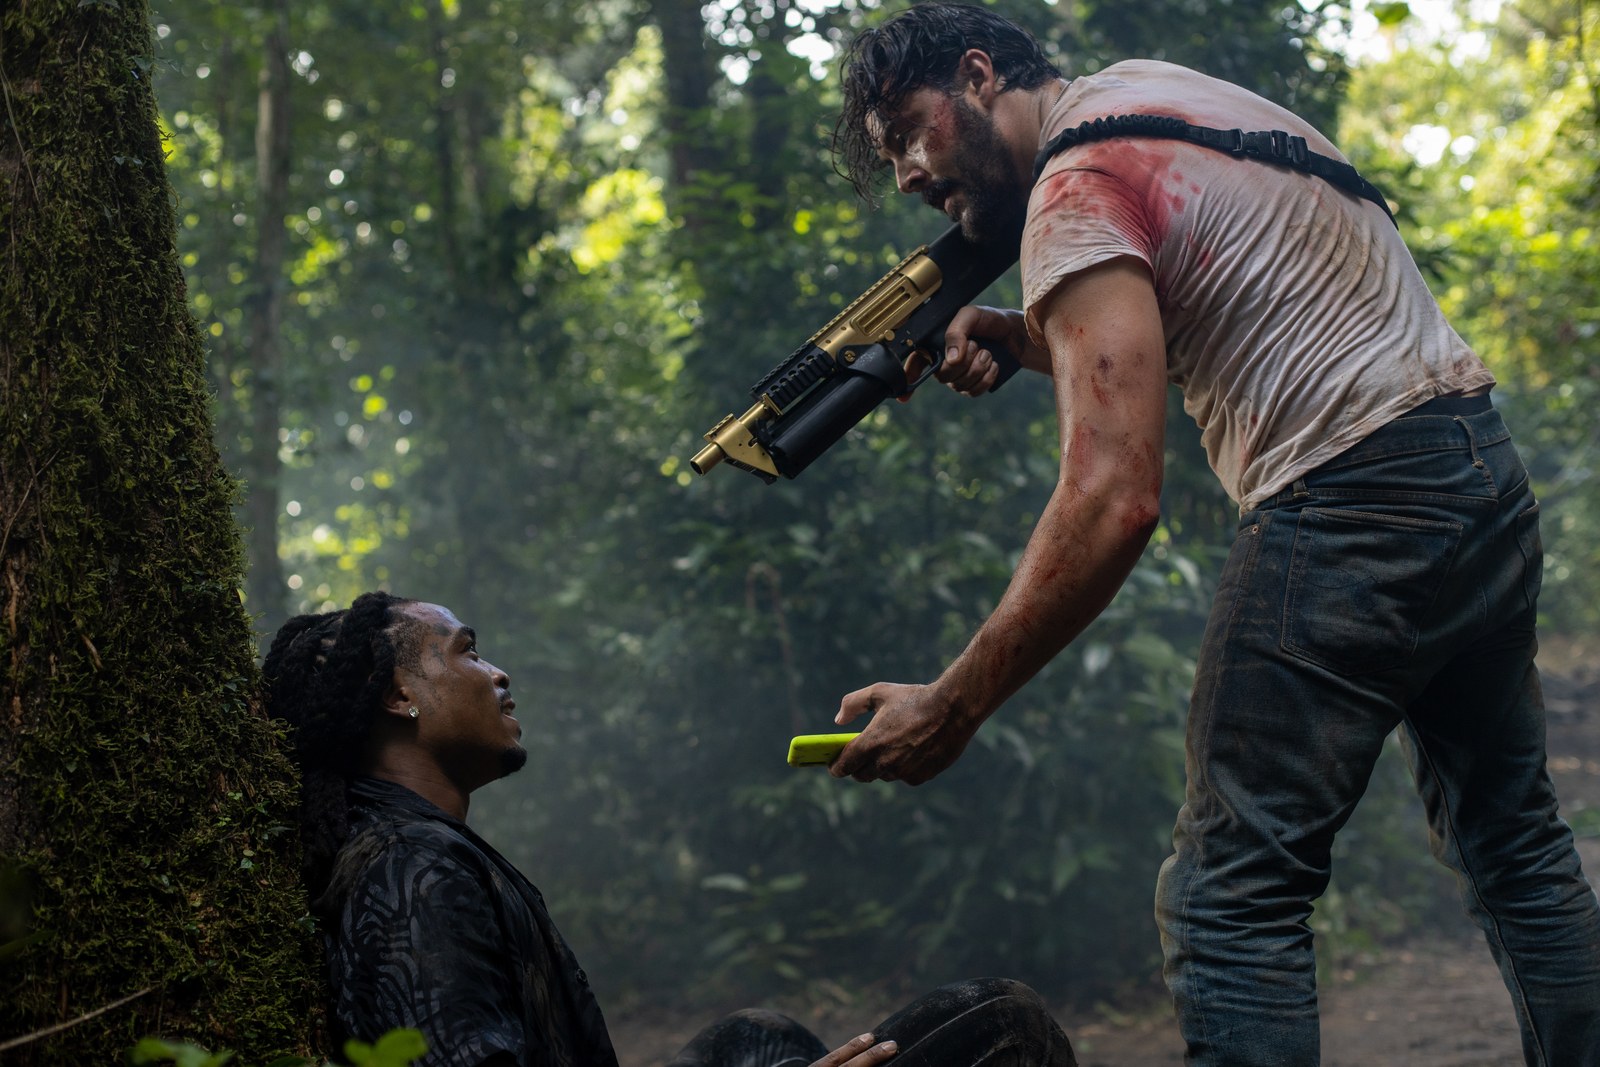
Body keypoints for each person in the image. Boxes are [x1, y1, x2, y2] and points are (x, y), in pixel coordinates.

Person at [822, 4, 1600, 1064]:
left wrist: (953, 703)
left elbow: (1113, 497)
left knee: (1227, 897)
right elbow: (1213, 304)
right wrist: (1023, 333)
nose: (909, 173)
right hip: (1472, 469)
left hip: (1350, 502)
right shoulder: (1152, 98)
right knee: (1516, 845)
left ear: (977, 75)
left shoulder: (1072, 186)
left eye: (911, 131)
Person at [262, 591, 1078, 1067]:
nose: (497, 672)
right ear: (398, 695)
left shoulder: (410, 845)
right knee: (1008, 1026)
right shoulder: (413, 874)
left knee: (757, 1040)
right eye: (466, 653)